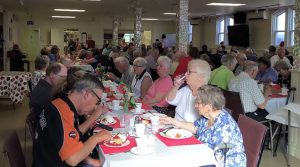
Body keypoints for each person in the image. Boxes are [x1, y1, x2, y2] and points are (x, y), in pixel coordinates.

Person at [33, 74, 111, 167]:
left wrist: (90, 160)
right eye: (97, 101)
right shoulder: (63, 114)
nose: (95, 106)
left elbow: (74, 134)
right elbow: (72, 160)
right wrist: (95, 138)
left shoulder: (60, 103)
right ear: (87, 94)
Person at [161, 85, 246, 167]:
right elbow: (196, 127)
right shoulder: (209, 115)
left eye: (198, 103)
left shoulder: (223, 129)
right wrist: (173, 121)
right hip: (206, 156)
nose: (195, 105)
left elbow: (216, 160)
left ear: (209, 107)